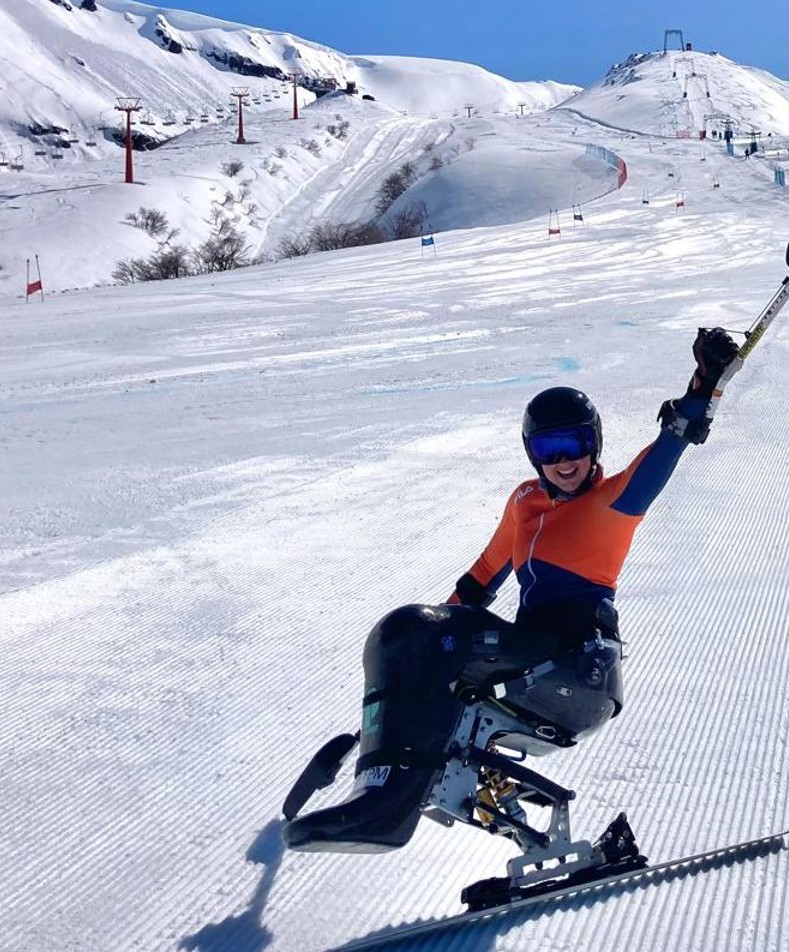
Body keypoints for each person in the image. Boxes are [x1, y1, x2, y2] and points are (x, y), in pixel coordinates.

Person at [284, 327, 742, 854]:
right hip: (527, 662)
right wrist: (418, 655)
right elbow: (480, 581)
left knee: (413, 632)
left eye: (576, 444)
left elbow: (672, 442)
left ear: (594, 445)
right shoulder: (526, 503)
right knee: (400, 636)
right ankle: (382, 788)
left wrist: (705, 383)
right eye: (550, 448)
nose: (564, 460)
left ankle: (385, 810)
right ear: (532, 454)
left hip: (574, 669)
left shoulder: (614, 501)